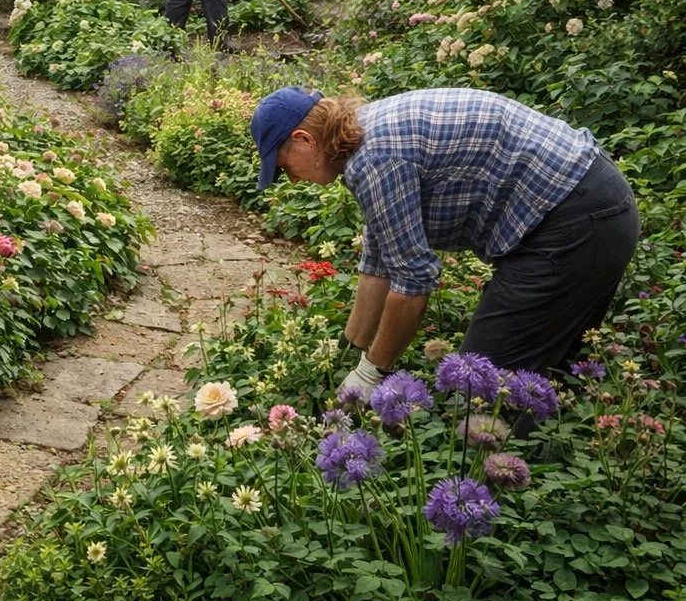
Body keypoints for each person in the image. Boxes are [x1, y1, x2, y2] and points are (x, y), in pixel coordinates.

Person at [250, 86, 639, 401]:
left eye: (285, 168)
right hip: (593, 207)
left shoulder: (375, 157)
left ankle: (517, 482)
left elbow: (413, 281)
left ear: (304, 140)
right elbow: (380, 262)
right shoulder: (366, 137)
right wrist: (347, 352)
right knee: (545, 376)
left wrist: (371, 374)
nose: (293, 180)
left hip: (575, 222)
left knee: (478, 389)